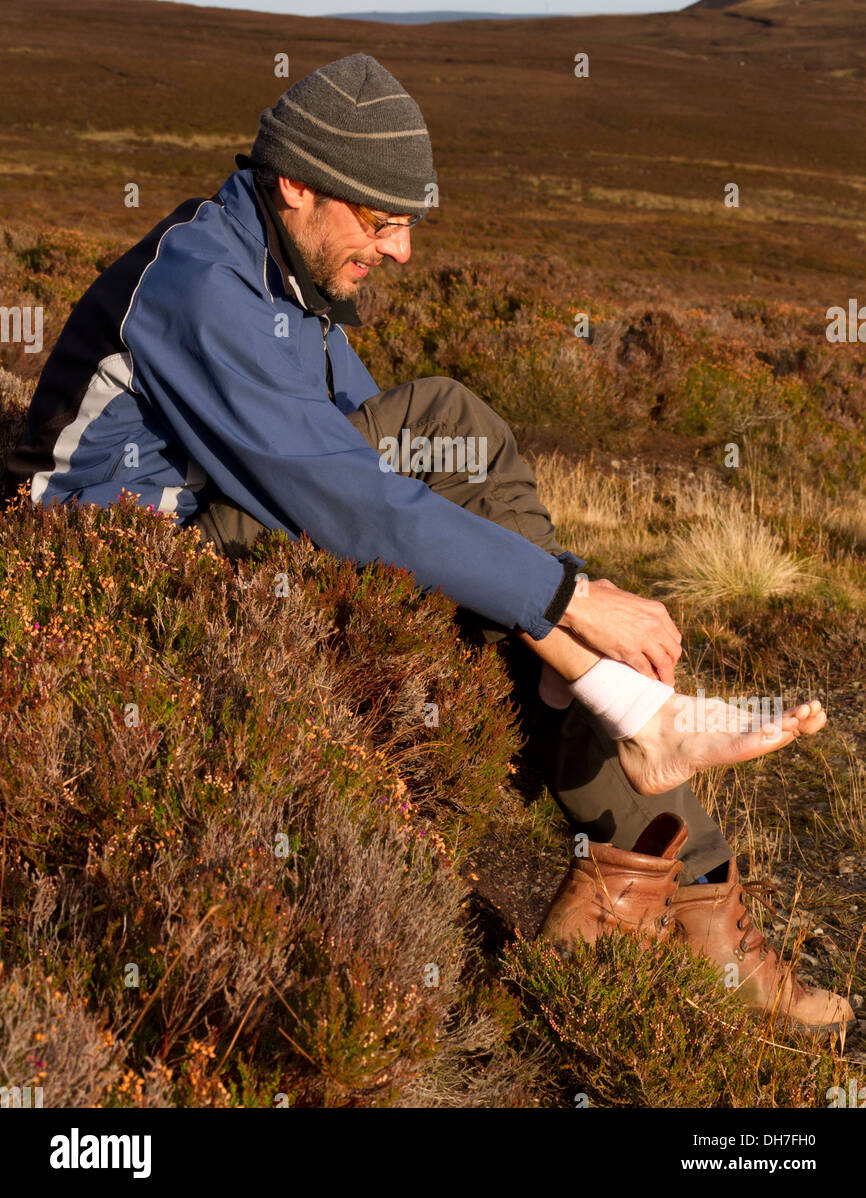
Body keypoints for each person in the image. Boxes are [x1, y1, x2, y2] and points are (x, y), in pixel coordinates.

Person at [7, 53, 851, 1035]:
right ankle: (634, 772)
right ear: (297, 184)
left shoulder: (289, 278)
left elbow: (398, 486)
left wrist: (545, 597)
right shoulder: (200, 283)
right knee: (456, 440)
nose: (403, 250)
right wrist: (570, 598)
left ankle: (686, 888)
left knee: (485, 552)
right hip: (116, 579)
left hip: (207, 544)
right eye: (382, 219)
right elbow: (349, 500)